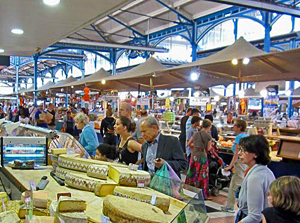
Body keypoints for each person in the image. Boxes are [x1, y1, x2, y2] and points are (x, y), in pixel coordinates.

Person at [235, 135, 275, 223]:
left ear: (256, 154)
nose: (239, 153)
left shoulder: (256, 177)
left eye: (244, 150)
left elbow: (255, 216)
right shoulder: (263, 171)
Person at [221, 119, 249, 213]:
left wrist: (230, 166)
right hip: (244, 163)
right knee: (236, 183)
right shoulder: (247, 136)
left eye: (235, 125)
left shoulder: (239, 137)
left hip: (239, 163)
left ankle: (237, 207)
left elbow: (237, 153)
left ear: (240, 127)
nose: (233, 127)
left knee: (236, 184)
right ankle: (231, 205)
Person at [185, 119, 212, 200]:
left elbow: (189, 143)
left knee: (192, 172)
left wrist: (194, 148)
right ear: (209, 127)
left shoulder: (196, 134)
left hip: (194, 155)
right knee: (203, 175)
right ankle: (202, 193)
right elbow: (208, 148)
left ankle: (189, 190)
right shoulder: (208, 136)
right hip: (202, 156)